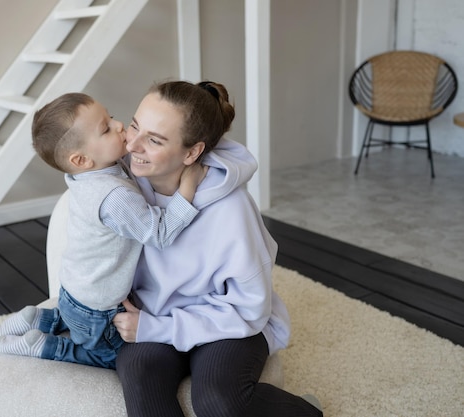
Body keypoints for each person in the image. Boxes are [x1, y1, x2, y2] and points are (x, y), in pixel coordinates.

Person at [112, 80, 324, 417]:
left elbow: (249, 308)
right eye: (135, 126)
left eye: (154, 140)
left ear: (192, 152)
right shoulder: (121, 189)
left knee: (218, 402)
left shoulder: (231, 208)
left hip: (228, 321)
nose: (132, 145)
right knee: (141, 384)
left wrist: (160, 328)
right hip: (155, 312)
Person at [0, 92, 207, 370]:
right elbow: (160, 233)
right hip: (98, 309)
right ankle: (44, 344)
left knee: (76, 319)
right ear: (81, 159)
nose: (119, 126)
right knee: (112, 356)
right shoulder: (114, 197)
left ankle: (42, 319)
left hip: (74, 290)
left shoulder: (86, 174)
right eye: (106, 129)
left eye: (112, 117)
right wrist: (188, 187)